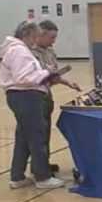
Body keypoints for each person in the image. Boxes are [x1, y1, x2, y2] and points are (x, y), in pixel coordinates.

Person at [0, 21, 65, 189]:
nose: (36, 40)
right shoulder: (19, 51)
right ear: (28, 34)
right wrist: (47, 72)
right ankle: (42, 177)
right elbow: (24, 77)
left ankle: (17, 176)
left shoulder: (16, 49)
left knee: (23, 137)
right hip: (26, 96)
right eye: (35, 36)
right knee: (37, 137)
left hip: (22, 96)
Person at [32, 20, 81, 174]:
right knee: (37, 135)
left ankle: (43, 162)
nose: (54, 41)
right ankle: (39, 168)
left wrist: (68, 83)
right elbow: (36, 76)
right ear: (41, 35)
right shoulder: (30, 53)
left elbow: (53, 75)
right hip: (34, 96)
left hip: (47, 95)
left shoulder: (50, 51)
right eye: (51, 37)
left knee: (45, 132)